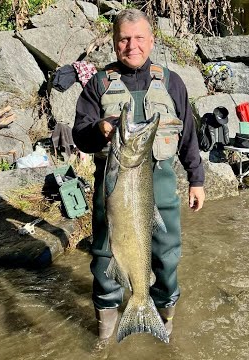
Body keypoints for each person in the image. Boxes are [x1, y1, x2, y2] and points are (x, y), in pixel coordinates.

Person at [72, 8, 205, 341]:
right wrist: (99, 128)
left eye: (139, 38)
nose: (132, 45)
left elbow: (188, 133)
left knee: (166, 258)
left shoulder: (172, 82)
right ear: (115, 42)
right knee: (105, 260)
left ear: (151, 40)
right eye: (124, 39)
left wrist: (197, 179)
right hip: (114, 192)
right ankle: (106, 336)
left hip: (161, 190)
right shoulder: (98, 84)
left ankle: (161, 322)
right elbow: (79, 134)